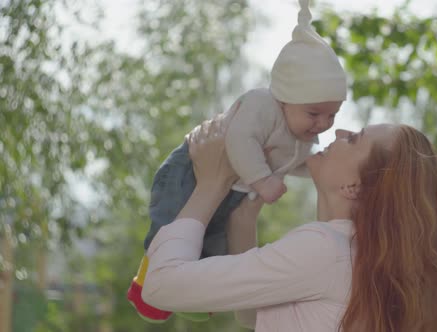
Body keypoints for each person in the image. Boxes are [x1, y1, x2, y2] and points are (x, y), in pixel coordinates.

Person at [141, 116, 437, 332]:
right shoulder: (354, 257)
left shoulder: (324, 249)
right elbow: (253, 315)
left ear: (354, 187)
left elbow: (160, 286)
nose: (341, 131)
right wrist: (244, 210)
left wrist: (210, 185)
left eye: (356, 138)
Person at [126, 0, 348, 323]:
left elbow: (302, 161)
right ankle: (146, 277)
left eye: (333, 114)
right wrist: (263, 180)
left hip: (229, 189)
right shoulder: (263, 106)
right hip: (189, 171)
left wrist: (313, 166)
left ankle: (196, 296)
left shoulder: (300, 133)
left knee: (213, 240)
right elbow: (239, 141)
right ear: (285, 96)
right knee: (172, 224)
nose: (325, 125)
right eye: (315, 113)